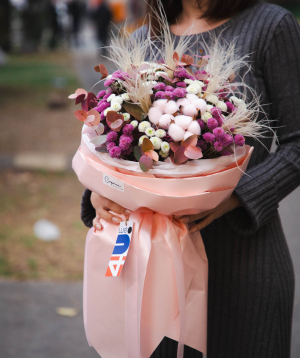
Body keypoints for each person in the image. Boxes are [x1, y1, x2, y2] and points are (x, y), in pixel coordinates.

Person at [80, 0, 300, 357]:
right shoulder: (147, 37)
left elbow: (297, 143)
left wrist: (234, 198)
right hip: (155, 278)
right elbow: (115, 143)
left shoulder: (271, 26)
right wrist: (99, 192)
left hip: (244, 265)